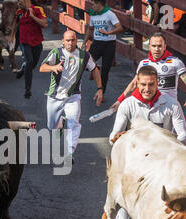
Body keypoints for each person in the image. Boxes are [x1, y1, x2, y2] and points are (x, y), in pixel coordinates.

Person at [109, 65, 186, 219]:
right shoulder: (128, 104)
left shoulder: (171, 104)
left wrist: (167, 141)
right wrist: (119, 137)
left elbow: (183, 135)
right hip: (136, 170)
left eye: (151, 84)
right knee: (127, 214)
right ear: (136, 82)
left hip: (163, 168)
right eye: (142, 84)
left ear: (158, 83)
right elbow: (112, 137)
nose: (146, 89)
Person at [40, 30, 103, 162]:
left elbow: (94, 70)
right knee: (52, 127)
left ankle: (70, 153)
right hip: (55, 96)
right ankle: (61, 123)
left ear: (77, 41)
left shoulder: (84, 56)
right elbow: (42, 67)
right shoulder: (56, 53)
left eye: (73, 40)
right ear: (63, 41)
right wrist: (53, 68)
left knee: (74, 123)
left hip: (73, 96)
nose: (70, 43)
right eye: (67, 40)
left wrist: (99, 89)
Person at [111, 33, 186, 112]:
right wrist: (119, 101)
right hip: (148, 108)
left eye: (160, 46)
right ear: (149, 47)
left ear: (165, 46)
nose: (157, 49)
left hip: (169, 107)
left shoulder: (175, 62)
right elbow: (134, 84)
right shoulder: (144, 63)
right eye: (154, 46)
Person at [82, 0, 123, 98]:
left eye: (94, 4)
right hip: (97, 43)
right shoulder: (94, 15)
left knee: (105, 70)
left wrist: (109, 33)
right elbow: (90, 29)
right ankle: (96, 68)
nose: (92, 6)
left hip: (109, 44)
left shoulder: (110, 14)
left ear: (100, 4)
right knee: (85, 64)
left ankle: (101, 93)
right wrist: (84, 42)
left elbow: (120, 28)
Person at [15, 0, 47, 99]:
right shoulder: (19, 12)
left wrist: (32, 16)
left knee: (32, 65)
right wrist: (10, 37)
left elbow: (45, 24)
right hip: (24, 41)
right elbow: (15, 25)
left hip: (37, 42)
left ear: (27, 1)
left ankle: (23, 68)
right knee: (29, 61)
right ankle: (27, 90)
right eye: (18, 1)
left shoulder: (37, 9)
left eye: (21, 1)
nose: (19, 3)